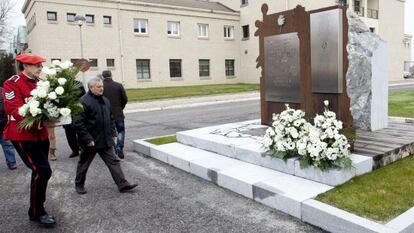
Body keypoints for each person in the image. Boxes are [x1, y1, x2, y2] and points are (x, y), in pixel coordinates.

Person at [2, 53, 56, 226]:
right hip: (23, 135)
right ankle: (37, 211)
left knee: (39, 172)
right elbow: (14, 110)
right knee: (43, 171)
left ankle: (36, 208)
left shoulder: (41, 83)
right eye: (37, 66)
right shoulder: (12, 83)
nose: (40, 69)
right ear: (25, 66)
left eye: (41, 66)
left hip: (41, 135)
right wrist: (40, 119)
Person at [74, 77, 137, 194]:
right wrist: (88, 139)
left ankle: (123, 184)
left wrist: (113, 132)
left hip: (105, 140)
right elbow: (78, 123)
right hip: (90, 141)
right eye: (98, 87)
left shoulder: (105, 100)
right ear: (91, 87)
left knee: (114, 162)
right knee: (84, 164)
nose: (101, 88)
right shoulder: (83, 102)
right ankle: (79, 185)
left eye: (102, 86)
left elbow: (111, 118)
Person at [102, 70, 128, 159]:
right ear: (111, 75)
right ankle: (119, 146)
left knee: (108, 132)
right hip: (118, 113)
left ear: (103, 76)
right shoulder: (118, 85)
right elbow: (125, 99)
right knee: (120, 130)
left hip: (105, 114)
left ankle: (112, 149)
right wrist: (121, 107)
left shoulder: (100, 87)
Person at [63, 80, 85, 158]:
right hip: (66, 113)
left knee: (80, 131)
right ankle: (75, 150)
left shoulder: (78, 83)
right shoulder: (60, 85)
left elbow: (82, 95)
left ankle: (83, 148)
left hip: (77, 111)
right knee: (69, 133)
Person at [0, 86, 17, 170]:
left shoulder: (2, 90)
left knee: (8, 145)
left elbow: (7, 104)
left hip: (3, 123)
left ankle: (11, 162)